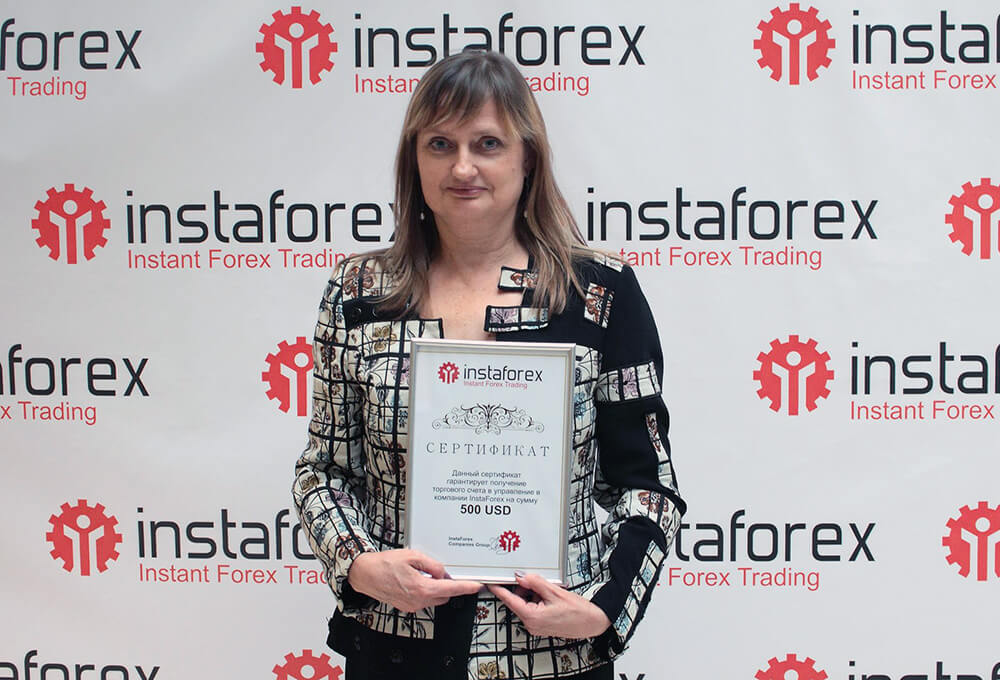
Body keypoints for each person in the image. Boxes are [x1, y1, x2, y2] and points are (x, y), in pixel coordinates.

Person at [293, 50, 685, 680]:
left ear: (527, 158)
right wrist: (359, 564)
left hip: (553, 654)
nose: (462, 166)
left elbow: (648, 484)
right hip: (398, 649)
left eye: (487, 144)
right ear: (414, 160)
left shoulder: (598, 295)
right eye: (440, 144)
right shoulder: (359, 294)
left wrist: (605, 609)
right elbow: (324, 472)